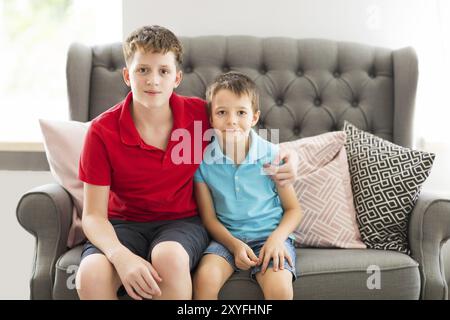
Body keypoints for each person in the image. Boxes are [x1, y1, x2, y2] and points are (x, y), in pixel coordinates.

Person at [75, 25, 298, 300]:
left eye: (163, 71)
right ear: (126, 75)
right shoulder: (101, 132)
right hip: (122, 225)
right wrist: (120, 256)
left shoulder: (200, 115)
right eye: (142, 70)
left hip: (180, 223)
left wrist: (291, 157)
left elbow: (244, 130)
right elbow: (94, 216)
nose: (153, 81)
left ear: (177, 77)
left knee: (169, 258)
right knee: (90, 275)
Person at [193, 72, 303, 300]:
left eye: (241, 112)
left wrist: (276, 240)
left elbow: (294, 209)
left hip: (269, 237)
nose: (232, 120)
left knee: (280, 290)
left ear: (254, 117)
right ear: (211, 119)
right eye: (222, 112)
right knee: (204, 281)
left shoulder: (271, 156)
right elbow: (209, 219)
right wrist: (234, 245)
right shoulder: (203, 162)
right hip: (226, 239)